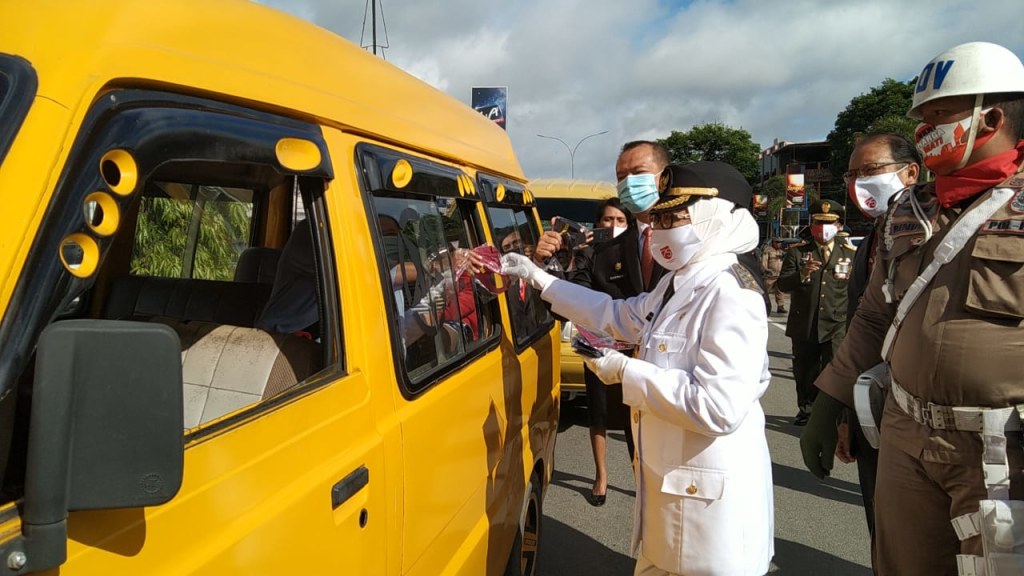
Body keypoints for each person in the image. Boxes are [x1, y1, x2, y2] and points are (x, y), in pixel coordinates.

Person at [799, 41, 1024, 575]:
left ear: (990, 117)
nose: (923, 130)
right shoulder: (910, 207)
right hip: (904, 433)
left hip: (999, 451)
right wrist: (830, 401)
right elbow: (875, 315)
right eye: (920, 118)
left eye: (937, 115)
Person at [504, 161, 774, 576]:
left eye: (674, 216)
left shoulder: (730, 293)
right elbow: (618, 314)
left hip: (710, 518)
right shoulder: (678, 281)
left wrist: (624, 373)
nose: (662, 227)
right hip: (671, 497)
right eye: (658, 216)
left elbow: (718, 407)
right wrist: (540, 279)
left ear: (716, 218)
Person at [829, 132, 921, 546]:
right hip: (872, 411)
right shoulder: (870, 240)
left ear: (911, 173)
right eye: (852, 174)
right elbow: (860, 334)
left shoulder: (938, 237)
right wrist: (843, 415)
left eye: (870, 171)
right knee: (882, 535)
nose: (858, 183)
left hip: (925, 421)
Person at [567, 198, 641, 506]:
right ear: (597, 225)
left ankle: (641, 478)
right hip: (597, 347)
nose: (613, 226)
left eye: (620, 220)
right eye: (607, 220)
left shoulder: (639, 253)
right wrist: (574, 255)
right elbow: (576, 290)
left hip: (634, 348)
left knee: (635, 417)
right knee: (598, 412)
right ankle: (601, 476)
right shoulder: (587, 253)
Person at [777, 200, 856, 425]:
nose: (823, 228)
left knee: (835, 371)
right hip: (805, 323)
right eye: (818, 223)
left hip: (837, 323)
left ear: (839, 225)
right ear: (811, 225)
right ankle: (807, 410)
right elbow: (782, 285)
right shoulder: (798, 252)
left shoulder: (850, 254)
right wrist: (801, 274)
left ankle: (833, 414)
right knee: (806, 371)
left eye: (829, 223)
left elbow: (857, 289)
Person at [760, 239, 787, 313]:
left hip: (779, 274)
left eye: (781, 242)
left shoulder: (781, 251)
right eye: (778, 242)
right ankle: (763, 305)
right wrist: (766, 270)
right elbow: (764, 261)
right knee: (765, 291)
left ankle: (780, 306)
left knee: (780, 291)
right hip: (770, 275)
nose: (779, 244)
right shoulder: (768, 250)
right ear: (774, 243)